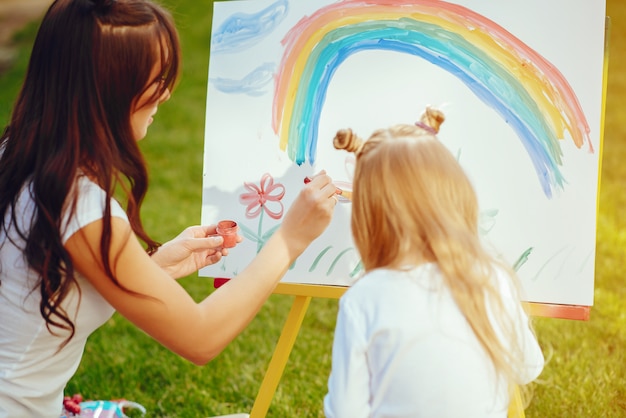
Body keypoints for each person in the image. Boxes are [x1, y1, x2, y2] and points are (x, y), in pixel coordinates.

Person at [0, 0, 338, 416]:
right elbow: (200, 338)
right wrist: (289, 240)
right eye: (156, 79)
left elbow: (56, 285)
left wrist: (157, 266)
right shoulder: (81, 206)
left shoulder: (17, 153)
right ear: (107, 90)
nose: (168, 92)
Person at [324, 107, 544, 417]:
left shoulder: (363, 300)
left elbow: (345, 412)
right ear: (456, 195)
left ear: (369, 215)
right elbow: (527, 368)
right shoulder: (491, 277)